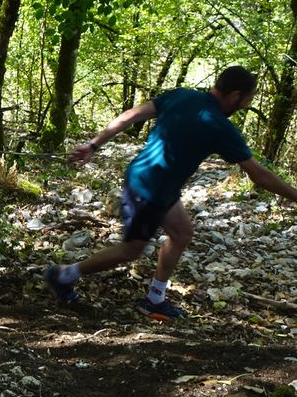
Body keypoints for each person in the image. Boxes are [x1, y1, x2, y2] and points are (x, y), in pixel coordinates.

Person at [45, 65, 297, 321]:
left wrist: (93, 144)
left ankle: (155, 299)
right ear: (234, 96)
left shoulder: (182, 95)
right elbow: (259, 175)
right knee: (131, 250)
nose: (245, 106)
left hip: (152, 181)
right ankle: (62, 276)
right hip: (151, 188)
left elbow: (131, 115)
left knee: (181, 233)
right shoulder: (220, 126)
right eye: (247, 100)